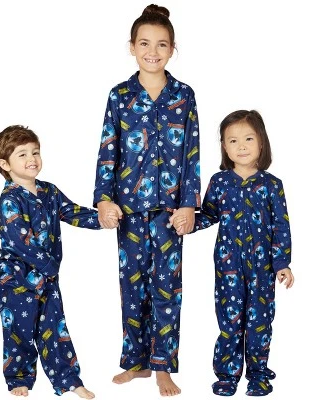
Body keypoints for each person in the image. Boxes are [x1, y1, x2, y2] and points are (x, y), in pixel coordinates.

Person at [93, 4, 201, 396]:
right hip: (128, 210)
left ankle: (163, 367)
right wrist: (103, 200)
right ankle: (136, 363)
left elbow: (191, 152)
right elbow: (108, 149)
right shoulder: (120, 95)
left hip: (170, 212)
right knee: (132, 288)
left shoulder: (184, 96)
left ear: (172, 48)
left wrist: (189, 204)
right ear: (132, 46)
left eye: (161, 44)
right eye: (144, 43)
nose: (152, 51)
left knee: (168, 289)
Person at [171, 110, 294, 396]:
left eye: (248, 139)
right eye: (233, 140)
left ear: (261, 142)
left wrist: (282, 263)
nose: (241, 146)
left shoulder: (272, 185)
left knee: (259, 322)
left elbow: (281, 226)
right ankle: (227, 374)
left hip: (263, 268)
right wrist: (186, 222)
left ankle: (258, 373)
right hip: (228, 267)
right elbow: (209, 214)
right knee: (230, 321)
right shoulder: (220, 182)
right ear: (224, 147)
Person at [0, 125, 118, 398]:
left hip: (47, 280)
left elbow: (73, 213)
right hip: (17, 280)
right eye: (22, 154)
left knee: (55, 330)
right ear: (5, 164)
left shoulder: (49, 191)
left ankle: (69, 380)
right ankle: (19, 379)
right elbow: (20, 242)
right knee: (19, 332)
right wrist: (50, 266)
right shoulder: (10, 199)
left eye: (35, 152)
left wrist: (103, 220)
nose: (32, 159)